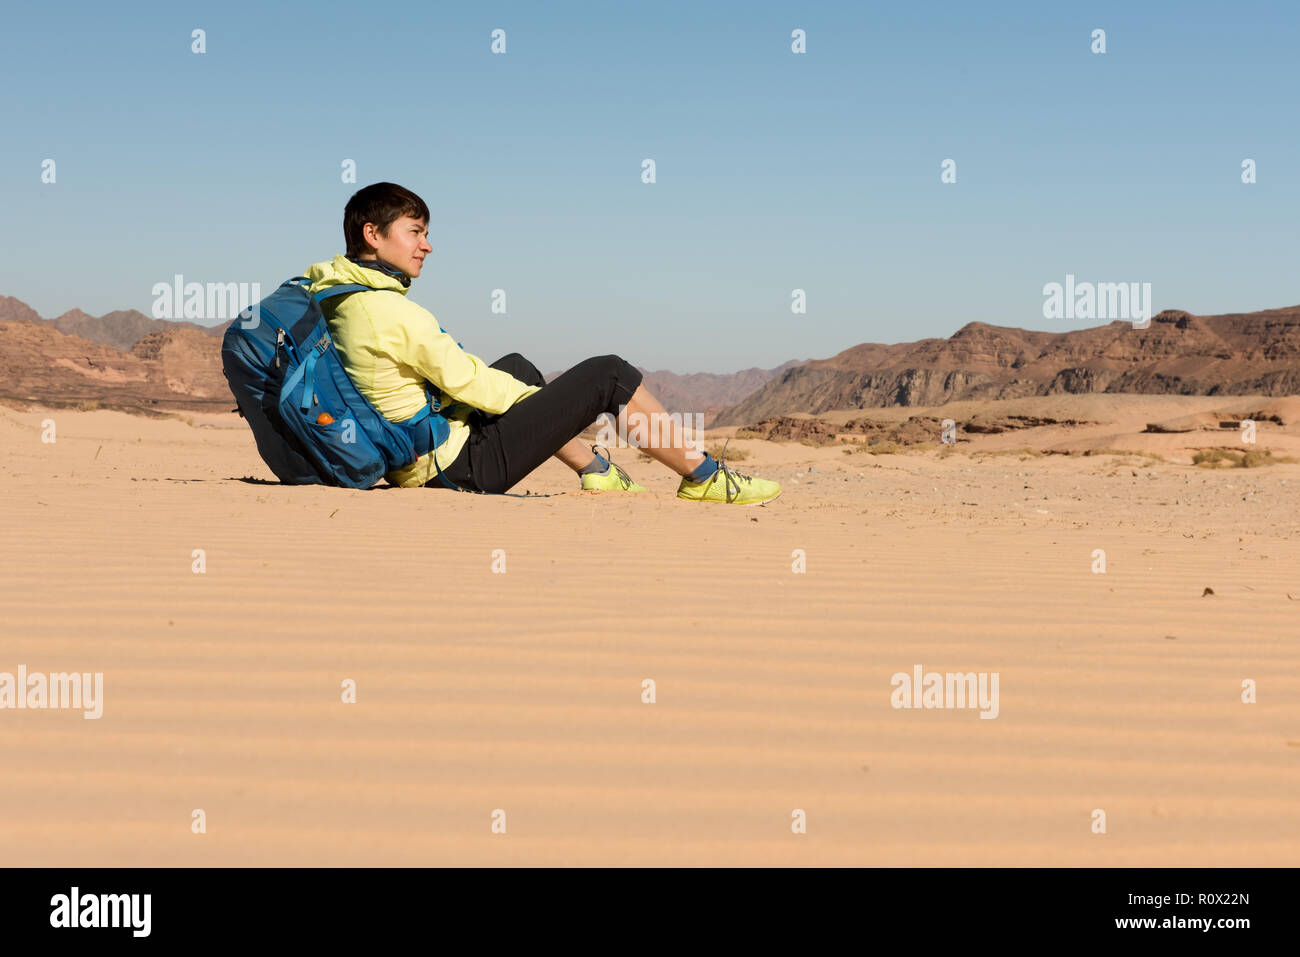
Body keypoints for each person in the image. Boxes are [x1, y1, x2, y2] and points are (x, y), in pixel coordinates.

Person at [304, 183, 781, 504]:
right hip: (455, 470)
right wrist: (551, 408)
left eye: (426, 234)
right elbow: (467, 383)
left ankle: (598, 472)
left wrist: (539, 406)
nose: (427, 245)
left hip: (413, 458)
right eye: (415, 233)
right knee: (608, 373)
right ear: (373, 234)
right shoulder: (388, 311)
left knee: (516, 366)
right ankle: (704, 477)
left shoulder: (338, 298)